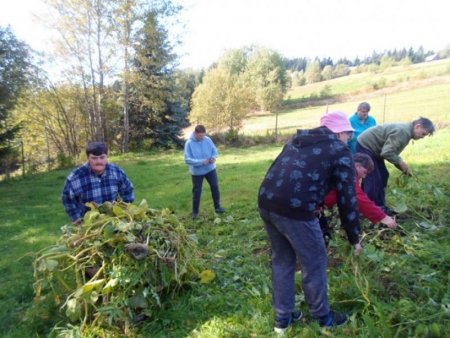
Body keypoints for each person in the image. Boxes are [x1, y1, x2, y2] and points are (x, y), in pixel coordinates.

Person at [258, 111, 362, 333]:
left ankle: (283, 319)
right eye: (349, 135)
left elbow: (287, 172)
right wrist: (355, 237)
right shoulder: (339, 149)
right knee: (314, 261)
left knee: (282, 260)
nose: (349, 140)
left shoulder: (296, 140)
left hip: (267, 201)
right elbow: (348, 197)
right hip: (295, 210)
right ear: (341, 132)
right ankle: (323, 317)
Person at [356, 117, 435, 213]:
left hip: (376, 150)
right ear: (418, 126)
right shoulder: (403, 132)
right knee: (374, 178)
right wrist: (401, 163)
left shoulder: (407, 131)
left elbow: (390, 152)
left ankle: (378, 206)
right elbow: (387, 152)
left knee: (383, 174)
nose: (422, 137)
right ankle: (371, 210)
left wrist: (402, 166)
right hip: (367, 146)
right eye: (423, 134)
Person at [323, 153, 397, 235]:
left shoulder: (342, 168)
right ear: (357, 165)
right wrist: (383, 217)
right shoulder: (348, 175)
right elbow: (358, 197)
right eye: (365, 172)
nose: (364, 176)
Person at [61, 142, 135, 224]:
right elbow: (67, 198)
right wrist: (76, 218)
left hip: (113, 221)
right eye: (94, 158)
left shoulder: (117, 172)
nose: (98, 161)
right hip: (89, 223)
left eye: (102, 157)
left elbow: (128, 190)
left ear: (107, 157)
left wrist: (125, 210)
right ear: (88, 158)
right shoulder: (76, 177)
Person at [184, 125, 225, 219]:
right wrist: (201, 162)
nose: (202, 138)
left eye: (203, 135)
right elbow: (187, 160)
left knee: (215, 187)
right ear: (195, 133)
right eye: (200, 136)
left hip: (210, 169)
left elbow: (215, 151)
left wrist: (214, 157)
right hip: (197, 172)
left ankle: (218, 207)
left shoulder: (207, 139)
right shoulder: (189, 143)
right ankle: (195, 213)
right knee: (197, 192)